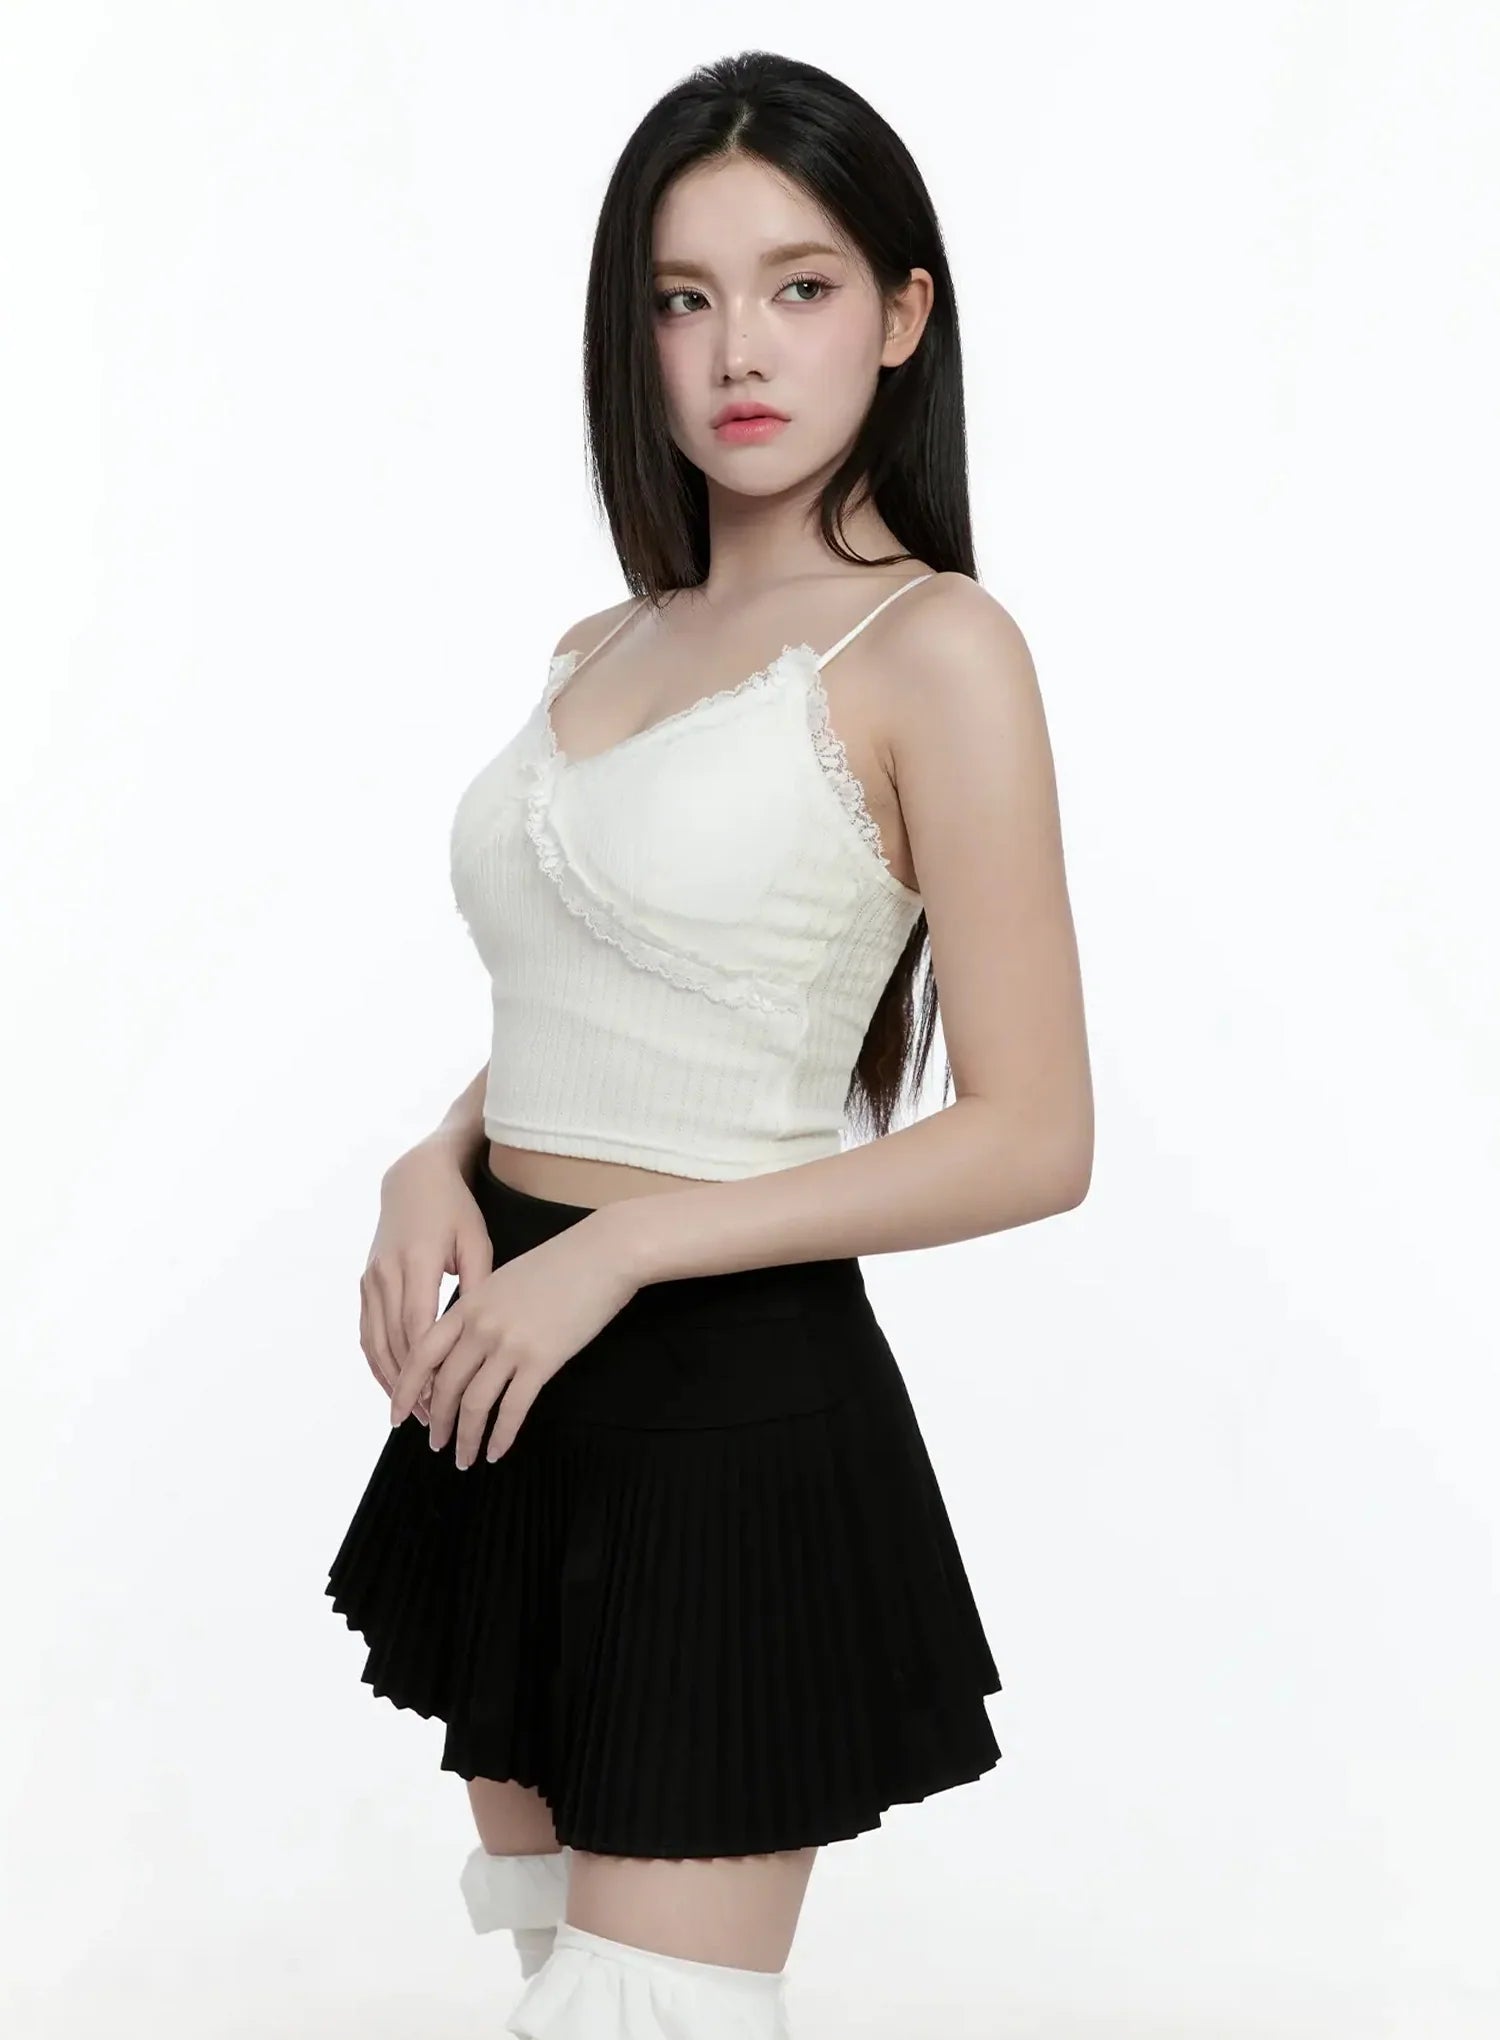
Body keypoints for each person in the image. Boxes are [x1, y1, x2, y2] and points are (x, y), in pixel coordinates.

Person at [325, 47, 1093, 2040]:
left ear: (902, 316)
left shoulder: (934, 650)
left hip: (719, 1409)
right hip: (508, 1388)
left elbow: (1035, 1134)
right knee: (553, 1985)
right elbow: (613, 991)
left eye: (799, 284)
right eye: (683, 296)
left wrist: (628, 1248)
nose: (738, 346)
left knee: (638, 2015)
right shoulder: (602, 642)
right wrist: (435, 1154)